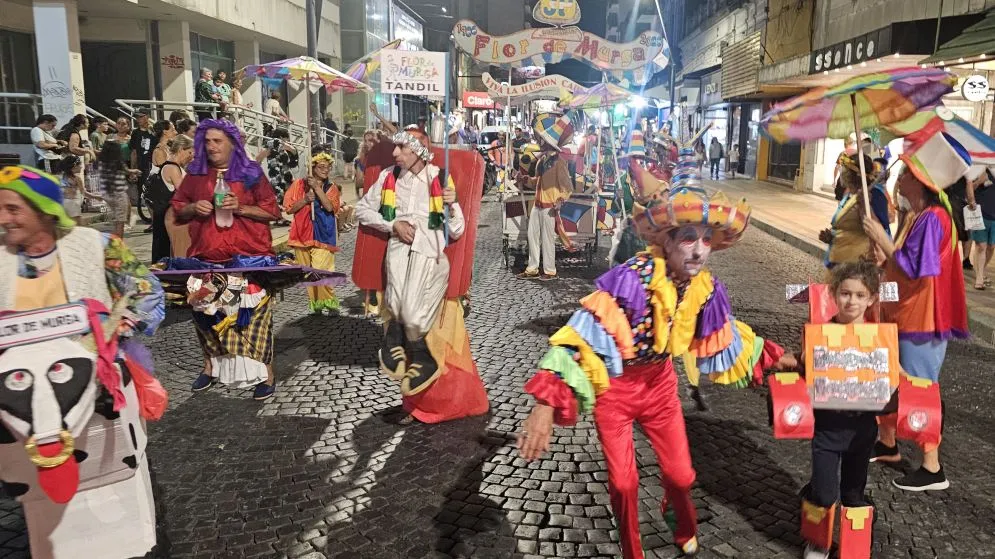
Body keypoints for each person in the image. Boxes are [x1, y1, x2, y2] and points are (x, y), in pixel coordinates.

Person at [517, 141, 786, 558]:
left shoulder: (707, 289)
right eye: (689, 237)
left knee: (681, 475)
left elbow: (728, 337)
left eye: (706, 239)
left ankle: (681, 519)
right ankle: (631, 550)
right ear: (669, 238)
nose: (698, 249)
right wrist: (545, 406)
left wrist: (785, 359)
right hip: (617, 390)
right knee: (624, 483)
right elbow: (583, 335)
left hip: (660, 387)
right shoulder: (633, 279)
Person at [0, 164, 164, 559]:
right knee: (48, 511)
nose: (4, 219)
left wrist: (115, 332)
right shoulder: (1, 259)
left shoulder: (96, 245)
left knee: (116, 489)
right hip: (29, 414)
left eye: (12, 209)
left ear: (43, 208)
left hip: (99, 402)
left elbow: (147, 293)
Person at [353, 129, 488, 423]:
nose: (395, 153)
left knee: (419, 324)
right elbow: (361, 210)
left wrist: (451, 204)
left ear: (417, 150)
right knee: (400, 314)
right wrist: (393, 225)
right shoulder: (389, 177)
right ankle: (416, 406)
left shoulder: (440, 179)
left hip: (432, 264)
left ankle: (445, 402)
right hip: (399, 257)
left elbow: (457, 231)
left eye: (401, 147)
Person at [861, 157, 969, 491]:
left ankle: (932, 467)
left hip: (921, 318)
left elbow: (916, 268)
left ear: (920, 181)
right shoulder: (917, 216)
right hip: (903, 312)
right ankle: (887, 444)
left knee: (919, 388)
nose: (899, 178)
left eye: (905, 173)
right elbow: (900, 263)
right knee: (893, 381)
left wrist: (882, 238)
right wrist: (882, 257)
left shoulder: (934, 218)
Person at [775, 261, 883, 559]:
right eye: (846, 293)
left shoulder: (880, 336)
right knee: (824, 493)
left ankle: (853, 545)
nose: (852, 301)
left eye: (860, 295)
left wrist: (910, 383)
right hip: (827, 428)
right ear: (835, 295)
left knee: (852, 494)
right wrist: (793, 362)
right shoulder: (820, 332)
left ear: (871, 298)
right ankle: (817, 538)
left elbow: (894, 371)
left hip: (861, 431)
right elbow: (804, 364)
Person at [171, 120, 281, 400]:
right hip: (205, 259)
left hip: (247, 261)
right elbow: (177, 209)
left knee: (253, 319)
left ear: (232, 142)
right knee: (204, 318)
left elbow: (272, 212)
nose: (211, 146)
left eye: (217, 141)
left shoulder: (251, 173)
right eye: (207, 141)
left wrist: (241, 207)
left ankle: (267, 375)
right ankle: (210, 368)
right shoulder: (195, 175)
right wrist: (194, 207)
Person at [284, 153, 342, 314]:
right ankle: (315, 304)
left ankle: (329, 303)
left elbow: (330, 207)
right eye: (321, 167)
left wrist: (317, 188)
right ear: (312, 168)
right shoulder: (298, 185)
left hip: (323, 233)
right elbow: (289, 208)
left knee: (321, 269)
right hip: (301, 234)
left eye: (328, 167)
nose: (325, 170)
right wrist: (304, 200)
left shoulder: (331, 187)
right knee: (308, 272)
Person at [517, 113, 573, 281]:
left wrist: (561, 200)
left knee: (547, 239)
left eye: (543, 141)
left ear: (550, 144)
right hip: (538, 204)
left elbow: (567, 187)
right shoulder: (542, 162)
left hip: (549, 207)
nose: (540, 142)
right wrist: (524, 179)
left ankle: (549, 270)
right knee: (532, 235)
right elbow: (537, 183)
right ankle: (532, 268)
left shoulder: (559, 163)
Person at [818, 153, 891, 273]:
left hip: (857, 270)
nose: (841, 173)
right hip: (838, 266)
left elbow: (882, 233)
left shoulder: (874, 196)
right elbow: (847, 228)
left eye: (844, 170)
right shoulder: (849, 195)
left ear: (851, 175)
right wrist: (832, 236)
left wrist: (864, 207)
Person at [146, 133, 193, 262]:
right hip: (167, 215)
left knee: (162, 248)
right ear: (181, 149)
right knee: (165, 251)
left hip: (163, 214)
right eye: (189, 152)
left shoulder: (170, 166)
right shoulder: (172, 168)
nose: (191, 157)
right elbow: (184, 192)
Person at [98, 140, 138, 238]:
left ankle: (116, 241)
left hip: (107, 195)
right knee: (120, 222)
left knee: (117, 220)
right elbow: (127, 171)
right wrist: (135, 171)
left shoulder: (101, 163)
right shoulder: (118, 163)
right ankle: (118, 245)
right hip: (119, 195)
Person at [256, 127, 298, 215]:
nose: (287, 140)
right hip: (277, 174)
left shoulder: (276, 146)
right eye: (286, 138)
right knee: (280, 195)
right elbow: (292, 149)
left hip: (282, 175)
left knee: (283, 196)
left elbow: (260, 156)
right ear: (282, 137)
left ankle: (280, 217)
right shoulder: (275, 142)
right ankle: (278, 218)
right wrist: (293, 150)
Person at [969, 171, 995, 289]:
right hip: (981, 214)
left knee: (991, 247)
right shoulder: (981, 169)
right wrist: (979, 181)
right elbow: (970, 186)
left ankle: (981, 271)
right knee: (981, 246)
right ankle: (979, 278)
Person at [59, 155, 102, 224]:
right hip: (73, 204)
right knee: (78, 228)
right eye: (80, 165)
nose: (82, 166)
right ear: (74, 166)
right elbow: (83, 193)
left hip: (63, 203)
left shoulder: (61, 177)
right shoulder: (77, 178)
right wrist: (96, 197)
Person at [129, 110, 156, 193]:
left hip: (154, 165)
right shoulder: (135, 132)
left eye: (141, 116)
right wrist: (132, 170)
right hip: (141, 166)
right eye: (137, 117)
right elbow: (134, 152)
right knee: (141, 191)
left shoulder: (155, 131)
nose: (138, 119)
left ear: (147, 116)